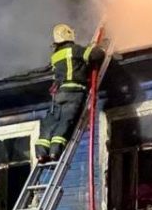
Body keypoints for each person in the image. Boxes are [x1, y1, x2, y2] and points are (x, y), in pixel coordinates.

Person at [37, 23, 105, 164]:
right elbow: (95, 55)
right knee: (66, 121)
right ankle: (55, 151)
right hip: (74, 92)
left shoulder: (55, 56)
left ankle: (41, 152)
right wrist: (99, 49)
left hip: (59, 94)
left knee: (53, 120)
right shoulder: (74, 50)